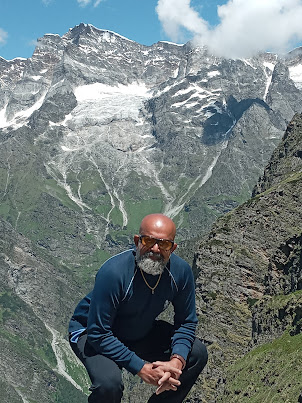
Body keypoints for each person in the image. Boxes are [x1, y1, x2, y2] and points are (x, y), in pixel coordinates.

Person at [69, 213, 208, 402]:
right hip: (92, 333)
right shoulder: (113, 273)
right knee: (108, 385)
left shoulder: (180, 273)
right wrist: (141, 368)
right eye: (149, 240)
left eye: (164, 244)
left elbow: (186, 322)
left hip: (139, 331)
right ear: (137, 241)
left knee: (196, 354)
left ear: (173, 248)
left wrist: (176, 361)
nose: (155, 249)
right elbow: (98, 333)